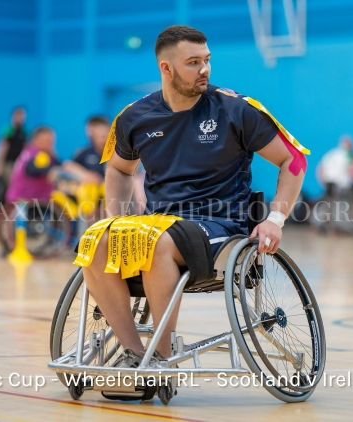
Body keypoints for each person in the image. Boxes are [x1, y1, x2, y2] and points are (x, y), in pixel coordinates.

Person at [77, 26, 308, 368]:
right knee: (95, 242)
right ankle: (135, 353)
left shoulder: (236, 109)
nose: (204, 69)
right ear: (166, 69)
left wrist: (275, 219)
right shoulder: (134, 117)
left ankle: (162, 354)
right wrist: (115, 216)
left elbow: (295, 159)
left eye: (207, 60)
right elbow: (120, 169)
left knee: (158, 243)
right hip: (158, 224)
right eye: (193, 62)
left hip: (221, 226)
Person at [0, 127, 60, 255]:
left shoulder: (29, 152)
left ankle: (11, 245)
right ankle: (15, 245)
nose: (51, 143)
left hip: (17, 194)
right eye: (48, 140)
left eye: (52, 140)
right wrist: (49, 173)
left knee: (14, 217)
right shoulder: (39, 155)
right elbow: (34, 169)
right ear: (37, 140)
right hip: (29, 196)